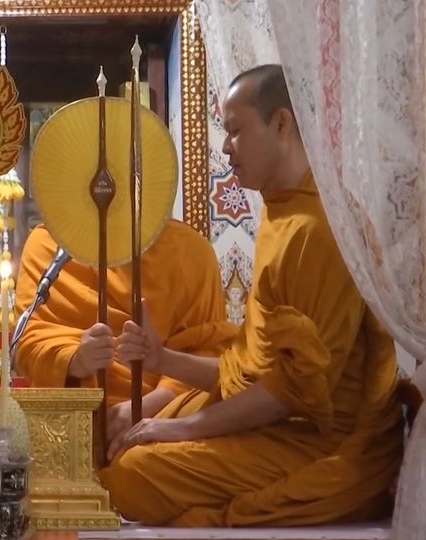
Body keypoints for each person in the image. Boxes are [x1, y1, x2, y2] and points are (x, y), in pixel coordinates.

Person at [106, 64, 403, 526]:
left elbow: (290, 392)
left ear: (281, 123)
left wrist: (179, 428)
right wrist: (162, 359)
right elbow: (250, 368)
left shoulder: (317, 230)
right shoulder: (279, 211)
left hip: (316, 439)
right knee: (129, 441)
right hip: (276, 415)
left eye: (235, 130)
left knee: (132, 474)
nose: (225, 147)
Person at [14, 219, 236, 449]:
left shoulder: (189, 249)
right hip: (78, 418)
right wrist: (76, 359)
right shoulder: (49, 245)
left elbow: (210, 347)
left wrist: (145, 407)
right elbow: (27, 340)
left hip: (167, 412)